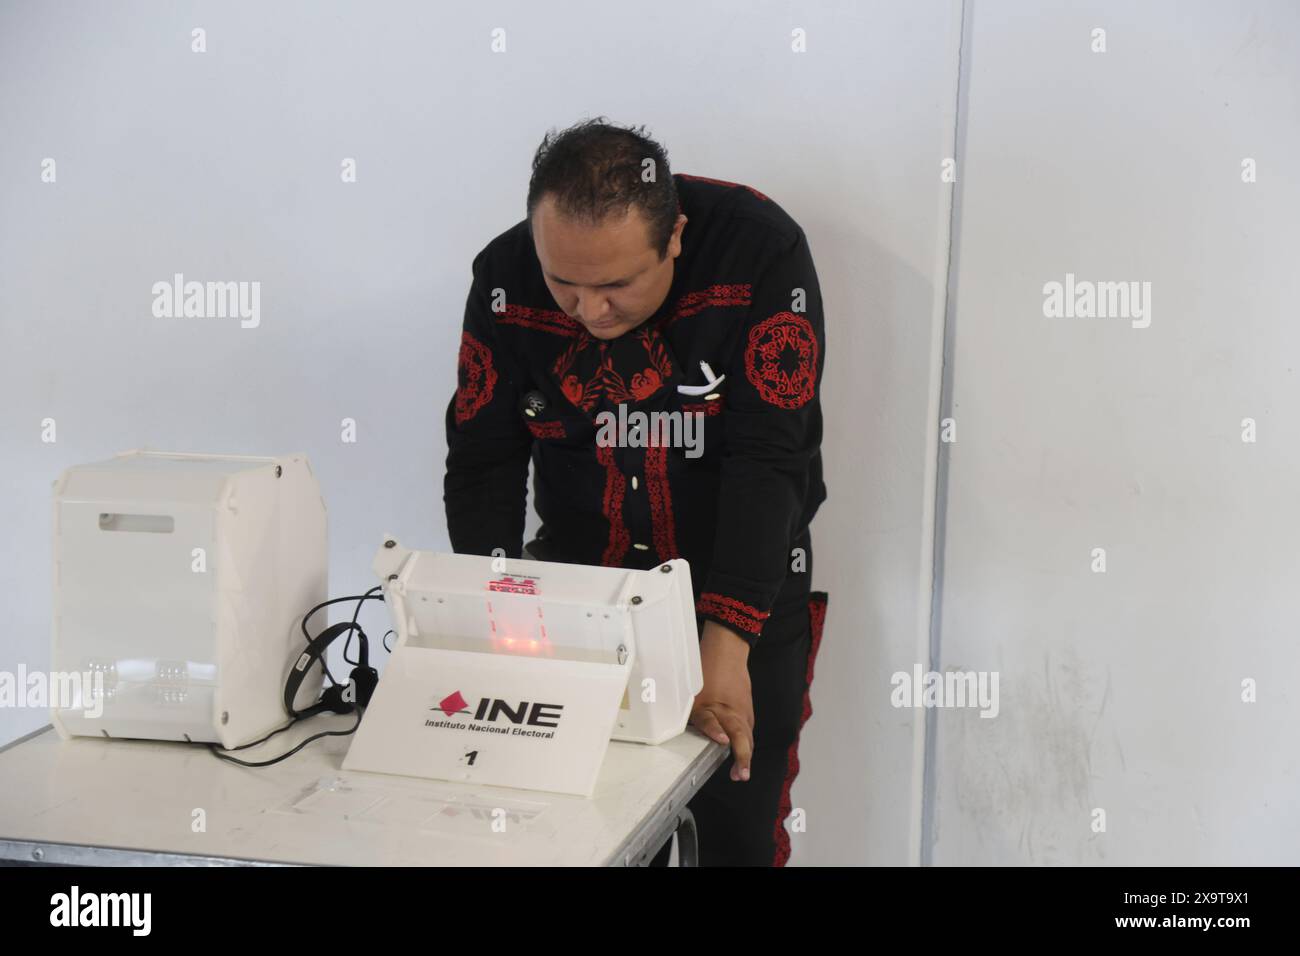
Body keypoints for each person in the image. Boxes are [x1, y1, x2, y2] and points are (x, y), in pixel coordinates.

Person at [444, 117, 829, 866]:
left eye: (617, 285)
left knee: (736, 838)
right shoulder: (502, 277)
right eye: (565, 284)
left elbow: (770, 457)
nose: (588, 312)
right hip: (581, 598)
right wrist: (497, 609)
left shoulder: (760, 253)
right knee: (583, 835)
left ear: (675, 234)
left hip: (744, 584)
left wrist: (728, 640)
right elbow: (484, 457)